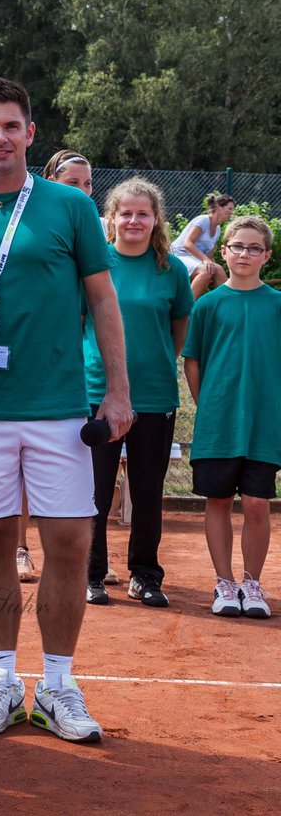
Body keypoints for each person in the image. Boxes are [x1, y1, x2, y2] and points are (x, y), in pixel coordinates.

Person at [0, 77, 133, 744]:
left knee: (70, 542)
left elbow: (104, 302)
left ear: (29, 134)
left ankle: (57, 685)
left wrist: (117, 390)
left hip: (58, 406)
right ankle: (1, 677)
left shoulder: (70, 207)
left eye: (10, 126)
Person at [84, 178, 192, 607]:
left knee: (147, 491)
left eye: (142, 213)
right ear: (111, 218)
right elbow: (77, 323)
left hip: (155, 396)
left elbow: (178, 327)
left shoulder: (173, 270)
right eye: (125, 213)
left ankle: (144, 574)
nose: (133, 220)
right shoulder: (95, 262)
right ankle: (91, 573)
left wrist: (155, 361)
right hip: (96, 393)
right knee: (93, 491)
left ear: (155, 220)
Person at [183, 215, 278, 619]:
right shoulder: (207, 304)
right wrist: (210, 406)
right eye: (238, 246)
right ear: (224, 251)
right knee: (218, 499)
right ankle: (224, 583)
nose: (244, 253)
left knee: (257, 503)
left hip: (264, 423)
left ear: (266, 256)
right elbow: (193, 359)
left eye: (254, 248)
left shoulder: (276, 304)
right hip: (219, 423)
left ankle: (251, 583)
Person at [41, 149, 121, 586]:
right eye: (74, 183)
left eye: (89, 184)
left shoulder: (88, 230)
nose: (84, 192)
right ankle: (20, 549)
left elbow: (100, 305)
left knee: (83, 492)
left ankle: (93, 567)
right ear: (52, 179)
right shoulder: (35, 219)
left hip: (71, 376)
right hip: (29, 376)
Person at [171, 193, 233, 295]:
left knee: (218, 269)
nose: (232, 212)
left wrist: (213, 267)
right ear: (218, 207)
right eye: (229, 208)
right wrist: (206, 260)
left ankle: (227, 305)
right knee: (205, 271)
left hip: (193, 259)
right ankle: (187, 308)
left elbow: (209, 257)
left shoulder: (217, 229)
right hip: (178, 255)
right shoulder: (203, 220)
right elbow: (187, 243)